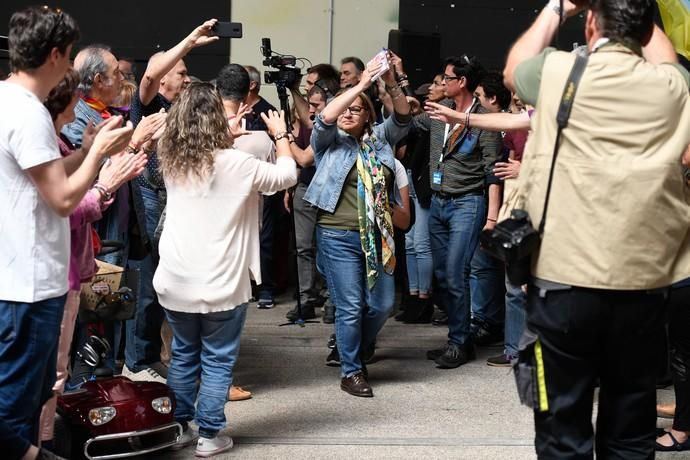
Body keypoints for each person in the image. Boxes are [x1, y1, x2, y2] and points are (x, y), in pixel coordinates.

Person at [503, 0, 690, 457]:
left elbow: (513, 70)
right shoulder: (672, 86)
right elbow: (666, 57)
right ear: (647, 31)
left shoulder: (557, 72)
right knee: (630, 434)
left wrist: (557, 6)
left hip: (562, 287)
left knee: (561, 433)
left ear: (589, 22)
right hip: (643, 289)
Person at [0, 6, 132, 459]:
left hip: (24, 278)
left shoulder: (8, 100)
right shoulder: (28, 113)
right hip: (29, 286)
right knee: (17, 409)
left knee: (30, 399)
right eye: (71, 54)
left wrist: (91, 148)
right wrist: (100, 155)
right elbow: (62, 198)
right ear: (56, 54)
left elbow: (49, 175)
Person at [153, 82, 297, 456]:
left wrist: (226, 139)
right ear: (221, 119)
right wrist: (280, 134)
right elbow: (286, 175)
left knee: (184, 353)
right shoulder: (240, 163)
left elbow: (208, 160)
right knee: (217, 358)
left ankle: (179, 426)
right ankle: (210, 435)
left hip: (175, 279)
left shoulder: (169, 154)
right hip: (221, 283)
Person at [38, 68, 147, 449]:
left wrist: (89, 152)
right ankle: (41, 444)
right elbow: (66, 206)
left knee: (57, 367)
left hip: (65, 267)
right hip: (54, 270)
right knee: (50, 371)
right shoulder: (42, 142)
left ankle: (45, 439)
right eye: (71, 103)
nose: (75, 111)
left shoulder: (54, 139)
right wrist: (106, 183)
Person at [304, 54, 411, 397]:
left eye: (357, 109)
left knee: (380, 305)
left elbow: (404, 117)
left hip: (377, 235)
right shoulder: (328, 143)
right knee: (350, 305)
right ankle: (352, 371)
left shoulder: (379, 141)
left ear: (369, 117)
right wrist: (361, 84)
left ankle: (356, 347)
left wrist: (389, 80)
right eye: (344, 108)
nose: (348, 113)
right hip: (337, 234)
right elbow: (324, 118)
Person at [124, 19, 219, 382]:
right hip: (150, 203)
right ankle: (139, 359)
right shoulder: (148, 106)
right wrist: (190, 42)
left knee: (168, 286)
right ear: (162, 77)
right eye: (179, 72)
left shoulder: (183, 108)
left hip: (175, 205)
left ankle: (151, 354)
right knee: (148, 287)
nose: (185, 76)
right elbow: (148, 77)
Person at [421, 55, 503, 370]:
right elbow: (403, 113)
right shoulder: (440, 114)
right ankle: (460, 338)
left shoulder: (484, 119)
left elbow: (492, 171)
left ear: (461, 82)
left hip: (467, 203)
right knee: (441, 277)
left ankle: (458, 342)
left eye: (446, 77)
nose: (440, 83)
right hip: (439, 202)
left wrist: (492, 218)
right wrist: (393, 81)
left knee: (456, 273)